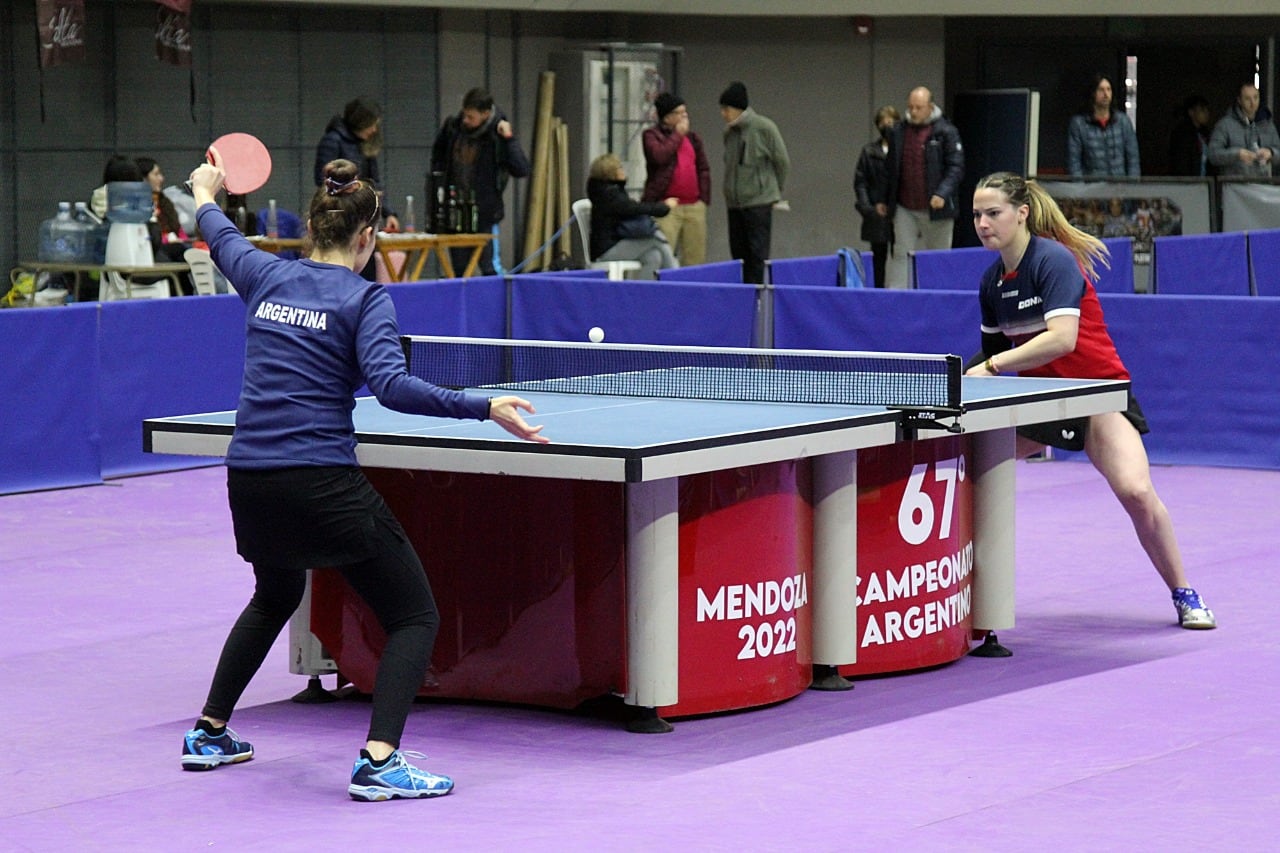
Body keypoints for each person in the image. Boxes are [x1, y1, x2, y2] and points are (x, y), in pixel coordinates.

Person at [181, 152, 548, 801]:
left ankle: (210, 732)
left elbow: (218, 232)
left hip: (251, 479)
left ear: (311, 229)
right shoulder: (364, 297)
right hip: (321, 479)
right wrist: (481, 405)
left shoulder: (265, 273)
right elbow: (393, 386)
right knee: (414, 614)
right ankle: (380, 760)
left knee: (275, 593)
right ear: (368, 236)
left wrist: (203, 190)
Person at [966, 171, 1215, 631]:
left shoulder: (1053, 262)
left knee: (1137, 493)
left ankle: (1185, 593)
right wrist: (960, 377)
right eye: (977, 214)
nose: (983, 222)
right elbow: (992, 354)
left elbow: (1061, 339)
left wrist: (995, 366)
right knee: (968, 478)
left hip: (1096, 395)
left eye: (993, 213)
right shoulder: (992, 282)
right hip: (1040, 403)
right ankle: (967, 602)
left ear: (1021, 214)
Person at [429, 87, 531, 276]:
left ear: (485, 114)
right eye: (465, 115)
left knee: (489, 268)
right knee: (459, 270)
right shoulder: (453, 128)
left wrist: (509, 139)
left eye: (471, 117)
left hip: (485, 213)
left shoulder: (498, 135)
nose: (466, 120)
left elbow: (522, 169)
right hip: (457, 213)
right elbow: (437, 157)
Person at [884, 86, 964, 288]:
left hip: (937, 207)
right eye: (910, 107)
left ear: (930, 107)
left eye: (918, 107)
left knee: (937, 257)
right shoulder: (898, 131)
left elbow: (956, 167)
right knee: (900, 253)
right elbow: (890, 168)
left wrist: (942, 193)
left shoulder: (946, 131)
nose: (913, 111)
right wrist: (884, 198)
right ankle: (896, 298)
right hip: (905, 206)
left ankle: (937, 296)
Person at [315, 98, 400, 278]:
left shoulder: (365, 143)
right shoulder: (332, 141)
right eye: (371, 125)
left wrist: (389, 212)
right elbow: (321, 180)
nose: (374, 130)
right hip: (339, 216)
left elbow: (374, 181)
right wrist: (354, 189)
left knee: (367, 270)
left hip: (364, 216)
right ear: (360, 122)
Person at [719, 81, 789, 285]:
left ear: (738, 108)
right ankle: (744, 297)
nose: (723, 114)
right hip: (734, 204)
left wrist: (774, 192)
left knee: (757, 256)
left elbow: (782, 161)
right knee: (739, 257)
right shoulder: (728, 133)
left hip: (758, 203)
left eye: (726, 109)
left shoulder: (764, 128)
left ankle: (759, 298)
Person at [642, 92, 711, 267]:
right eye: (679, 113)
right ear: (667, 116)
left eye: (685, 112)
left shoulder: (693, 138)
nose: (684, 116)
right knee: (663, 258)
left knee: (695, 259)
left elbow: (703, 168)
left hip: (694, 206)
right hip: (666, 207)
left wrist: (703, 199)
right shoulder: (652, 135)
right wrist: (677, 135)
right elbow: (659, 156)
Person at [586, 152, 678, 279]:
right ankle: (676, 278)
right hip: (606, 249)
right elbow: (634, 208)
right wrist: (663, 207)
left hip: (617, 242)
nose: (623, 170)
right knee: (655, 238)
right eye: (619, 168)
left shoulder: (611, 191)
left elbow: (631, 207)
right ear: (609, 172)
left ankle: (643, 294)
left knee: (653, 256)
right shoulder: (609, 195)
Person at [854, 105, 901, 288]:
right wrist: (869, 208)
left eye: (891, 122)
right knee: (877, 259)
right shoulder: (869, 152)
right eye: (883, 123)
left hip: (900, 212)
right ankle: (878, 292)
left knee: (900, 255)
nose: (887, 127)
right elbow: (860, 182)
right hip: (877, 213)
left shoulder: (903, 151)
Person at [1066, 74, 1140, 178]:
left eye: (1109, 89)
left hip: (1120, 188)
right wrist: (1081, 191)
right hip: (1092, 190)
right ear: (1093, 93)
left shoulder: (1123, 122)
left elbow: (1133, 159)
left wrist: (1131, 189)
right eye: (1101, 90)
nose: (1106, 94)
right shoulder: (1079, 124)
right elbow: (1074, 163)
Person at [1208, 83, 1280, 178]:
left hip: (1263, 185)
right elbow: (1213, 155)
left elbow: (1278, 151)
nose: (1252, 102)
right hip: (1235, 186)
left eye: (1255, 97)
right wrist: (1237, 154)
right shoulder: (1225, 125)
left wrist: (1271, 153)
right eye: (1247, 98)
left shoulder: (1268, 124)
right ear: (1239, 100)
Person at [1167, 95, 1213, 177]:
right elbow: (1180, 163)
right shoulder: (1182, 134)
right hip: (1188, 183)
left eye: (1207, 110)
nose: (1206, 113)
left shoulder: (1206, 133)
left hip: (1205, 183)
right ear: (1191, 112)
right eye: (1202, 110)